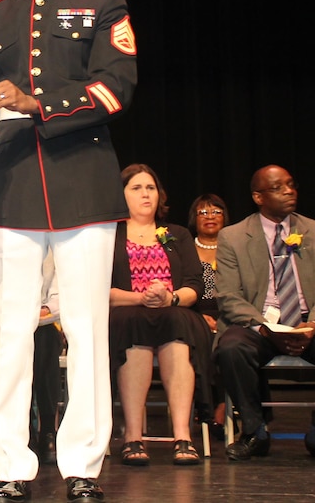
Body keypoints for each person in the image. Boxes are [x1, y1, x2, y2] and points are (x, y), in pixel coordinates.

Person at [0, 0, 137, 502]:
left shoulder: (103, 2)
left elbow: (117, 89)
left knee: (86, 329)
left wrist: (39, 103)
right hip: (11, 186)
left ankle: (83, 465)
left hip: (84, 184)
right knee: (11, 330)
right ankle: (11, 466)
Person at [214, 164, 315, 462]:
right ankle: (254, 432)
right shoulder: (232, 237)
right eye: (278, 187)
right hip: (259, 325)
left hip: (311, 322)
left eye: (291, 185)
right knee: (230, 348)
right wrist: (264, 329)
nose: (289, 192)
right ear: (258, 197)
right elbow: (229, 296)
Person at [109, 164, 213, 466]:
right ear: (122, 195)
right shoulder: (109, 236)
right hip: (124, 310)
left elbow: (195, 285)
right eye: (136, 188)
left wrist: (172, 297)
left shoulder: (176, 234)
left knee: (178, 322)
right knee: (135, 324)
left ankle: (183, 436)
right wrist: (139, 297)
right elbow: (98, 288)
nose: (145, 194)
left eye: (150, 188)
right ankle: (133, 436)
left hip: (172, 310)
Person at [0, 242, 63, 464]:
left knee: (43, 336)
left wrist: (45, 311)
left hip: (42, 322)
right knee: (25, 335)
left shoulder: (52, 244)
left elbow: (59, 294)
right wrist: (8, 312)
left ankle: (46, 427)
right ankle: (26, 426)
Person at [186, 192, 229, 424]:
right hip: (195, 313)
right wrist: (198, 317)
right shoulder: (186, 249)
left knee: (229, 340)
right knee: (203, 337)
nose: (209, 216)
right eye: (203, 212)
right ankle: (207, 406)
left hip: (230, 314)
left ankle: (224, 404)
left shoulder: (236, 248)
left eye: (215, 211)